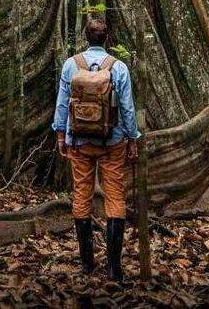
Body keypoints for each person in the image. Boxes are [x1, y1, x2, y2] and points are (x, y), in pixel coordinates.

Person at [52, 18, 140, 282]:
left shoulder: (71, 65)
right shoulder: (119, 67)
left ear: (85, 37)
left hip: (79, 142)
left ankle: (88, 264)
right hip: (112, 142)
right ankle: (113, 268)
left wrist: (60, 135)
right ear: (107, 38)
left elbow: (62, 103)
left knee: (82, 195)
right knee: (115, 196)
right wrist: (132, 138)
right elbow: (127, 107)